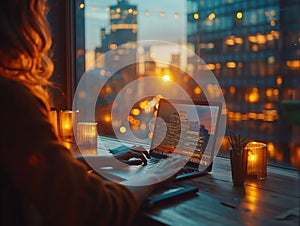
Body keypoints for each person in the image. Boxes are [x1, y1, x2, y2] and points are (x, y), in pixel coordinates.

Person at [0, 1, 183, 225]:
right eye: (40, 11)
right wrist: (156, 174)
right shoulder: (12, 97)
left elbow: (43, 169)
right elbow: (94, 209)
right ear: (23, 19)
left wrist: (107, 158)